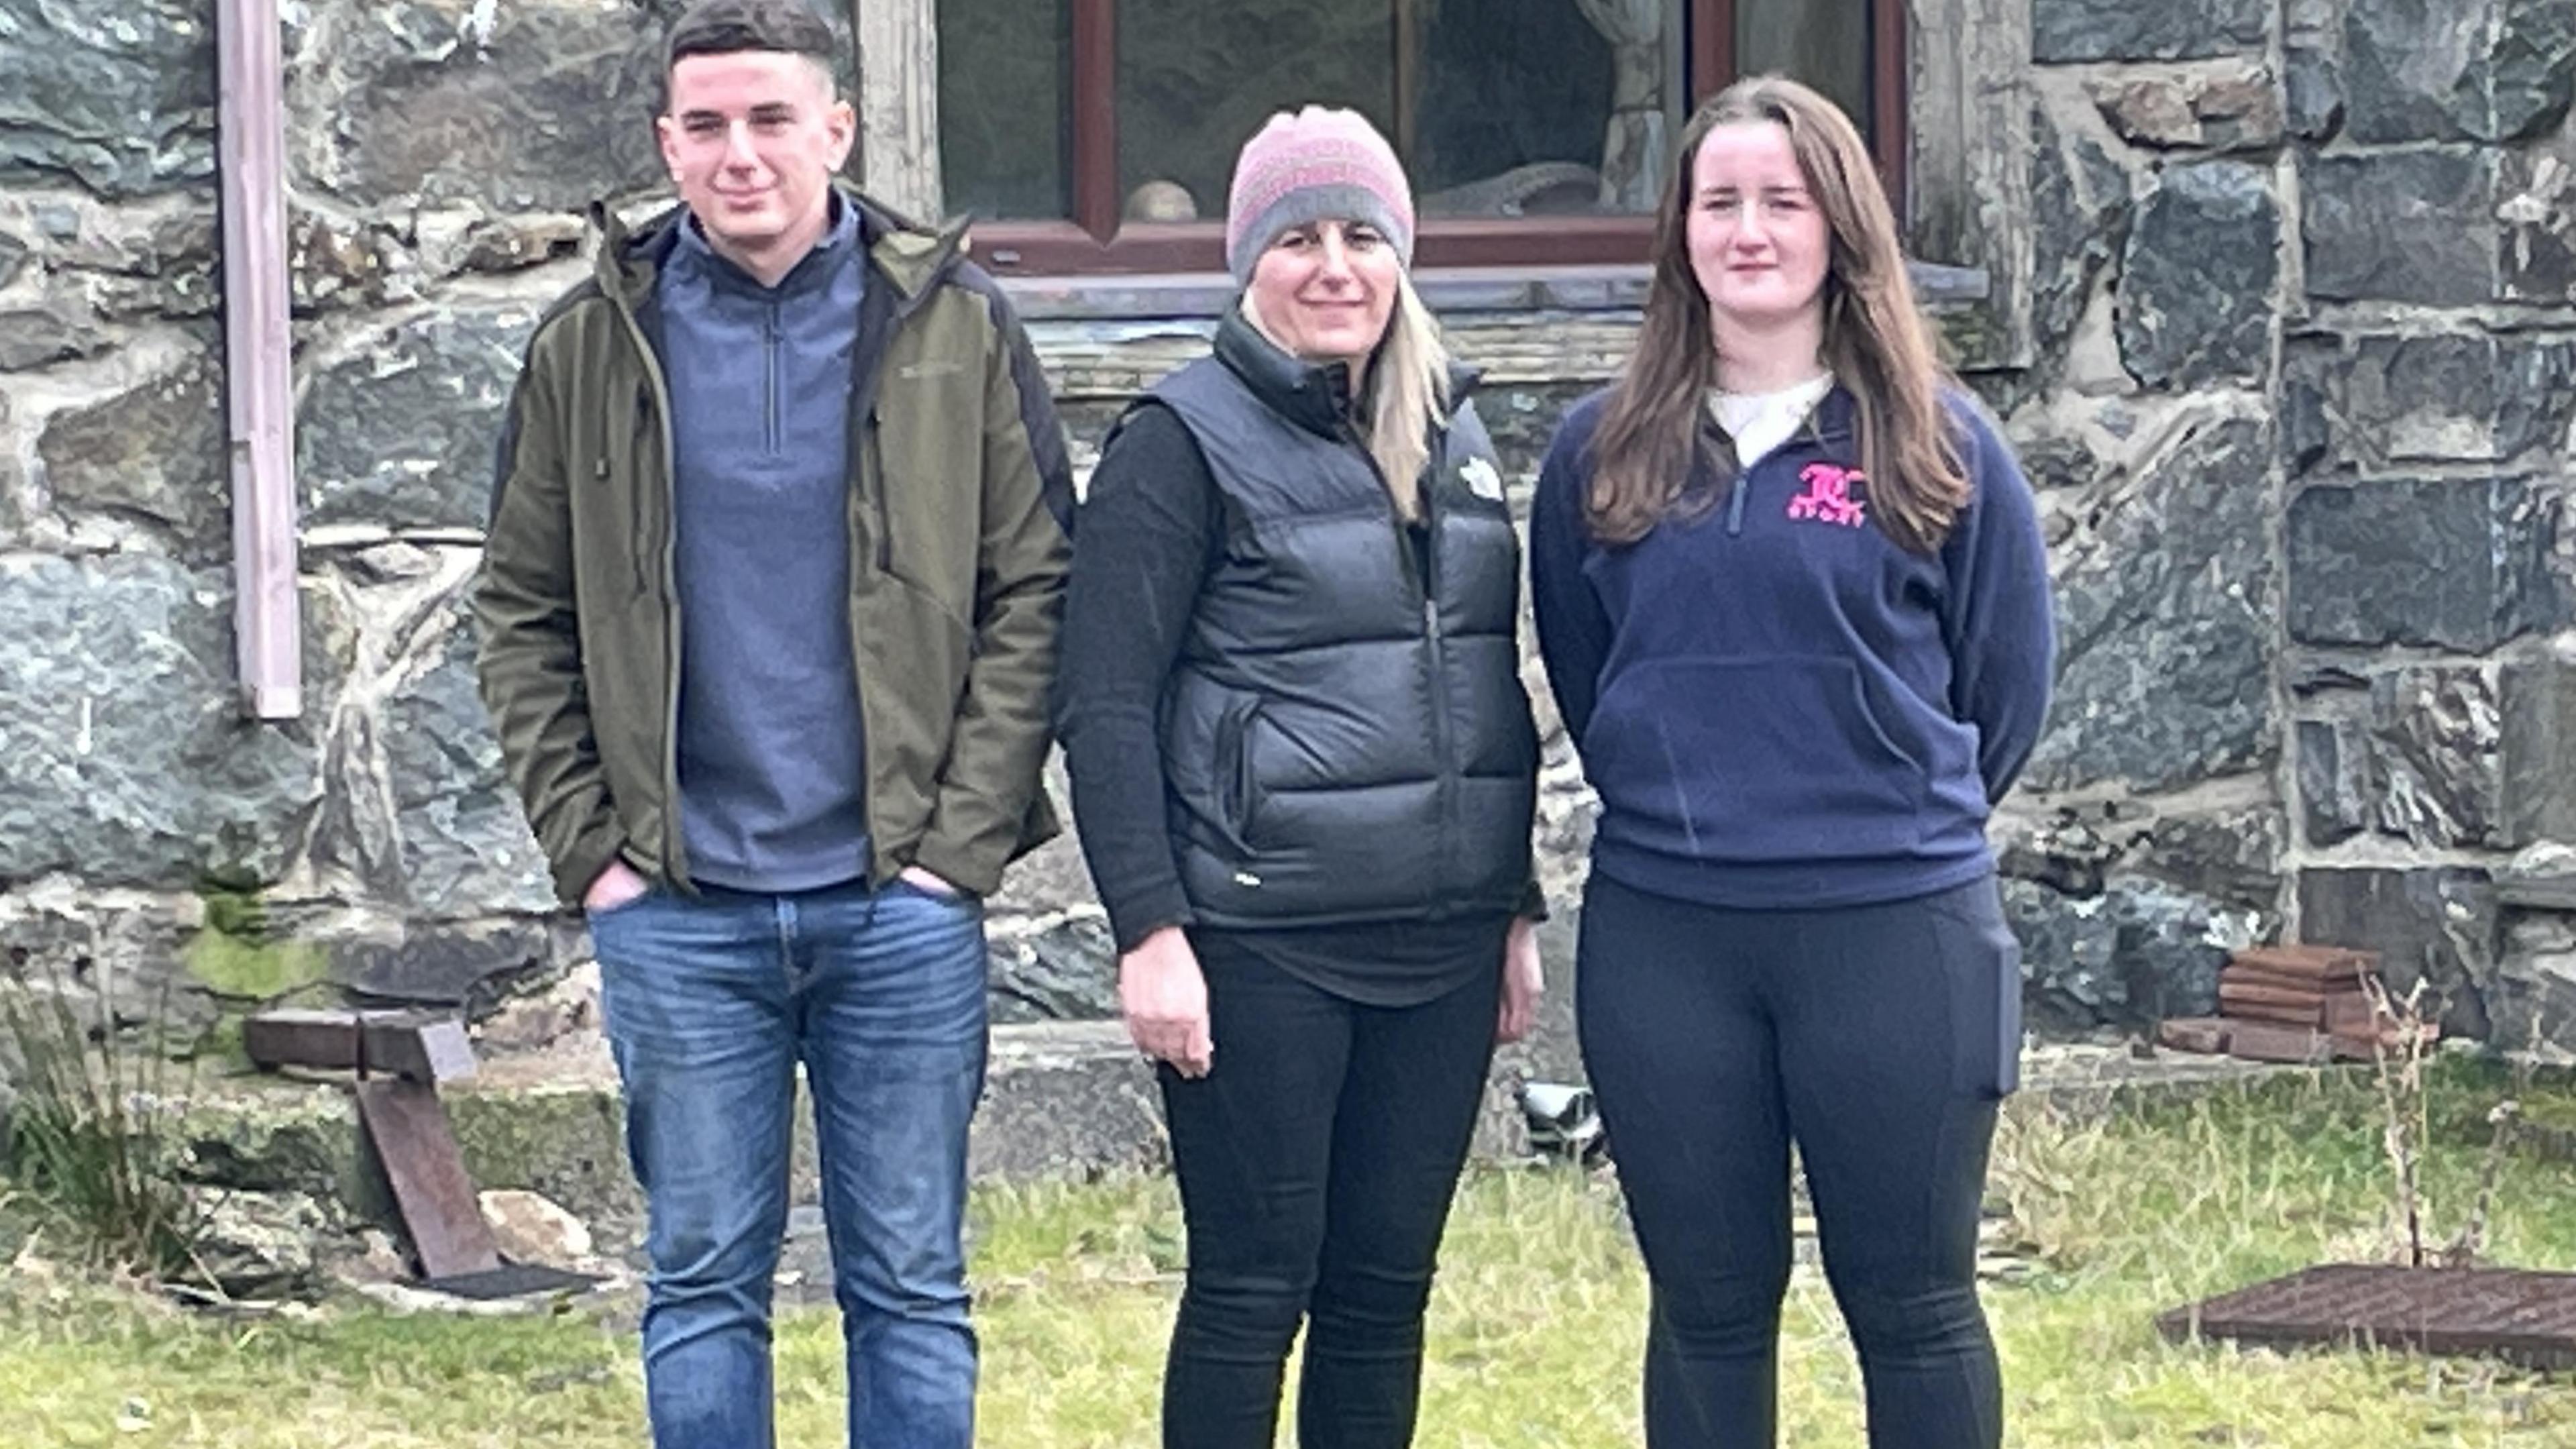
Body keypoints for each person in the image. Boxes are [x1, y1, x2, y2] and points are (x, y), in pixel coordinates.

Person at [471, 1, 1073, 1443]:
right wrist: (596, 861)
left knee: (912, 1290)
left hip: (896, 912)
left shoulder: (957, 327)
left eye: (772, 120)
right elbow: (519, 611)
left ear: (838, 130)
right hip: (681, 912)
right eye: (708, 126)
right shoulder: (589, 344)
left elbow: (1037, 585)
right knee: (698, 1288)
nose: (741, 155)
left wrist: (955, 859)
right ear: (667, 143)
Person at [1528, 76, 2054, 1449]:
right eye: (1719, 202)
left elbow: (2003, 690)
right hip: (1670, 942)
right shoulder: (1600, 453)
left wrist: (1867, 810)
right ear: (1681, 233)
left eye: (1784, 200)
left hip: (1895, 934)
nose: (1749, 230)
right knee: (1704, 1307)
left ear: (1842, 229)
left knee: (1914, 1304)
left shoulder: (1941, 446)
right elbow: (1596, 682)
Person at [1054, 106, 1547, 1449]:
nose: (1334, 266)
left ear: (1402, 255)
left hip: (1440, 945)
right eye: (1298, 239)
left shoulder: (1455, 432)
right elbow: (1103, 707)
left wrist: (1515, 904)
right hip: (1263, 943)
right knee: (1251, 1289)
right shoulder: (1180, 440)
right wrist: (1150, 930)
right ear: (1246, 263)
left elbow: (1479, 686)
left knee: (1385, 1296)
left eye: (1362, 236)